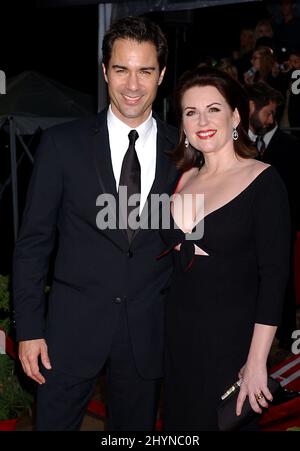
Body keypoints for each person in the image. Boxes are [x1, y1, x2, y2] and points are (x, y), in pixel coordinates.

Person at [13, 16, 179, 431]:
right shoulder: (61, 144)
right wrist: (28, 328)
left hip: (147, 335)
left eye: (145, 71)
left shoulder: (185, 152)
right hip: (68, 334)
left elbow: (191, 246)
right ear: (105, 71)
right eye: (121, 69)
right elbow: (33, 244)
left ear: (161, 75)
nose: (133, 85)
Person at [159, 66, 290, 430]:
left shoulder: (262, 180)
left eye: (213, 109)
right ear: (182, 124)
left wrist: (257, 361)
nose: (202, 120)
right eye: (190, 112)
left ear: (235, 115)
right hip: (177, 342)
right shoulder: (178, 180)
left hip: (231, 346)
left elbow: (274, 279)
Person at [246, 81, 300, 349]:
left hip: (281, 231)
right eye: (267, 112)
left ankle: (287, 339)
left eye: (275, 114)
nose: (272, 119)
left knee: (282, 284)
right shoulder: (233, 141)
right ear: (251, 108)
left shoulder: (291, 147)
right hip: (244, 234)